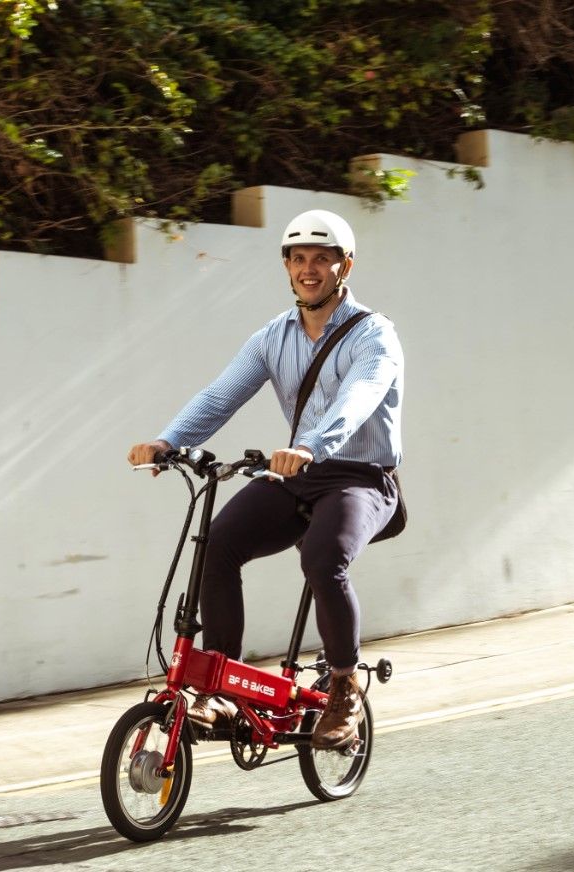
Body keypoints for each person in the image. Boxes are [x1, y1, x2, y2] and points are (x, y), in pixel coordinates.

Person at [127, 209, 403, 750]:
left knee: (323, 558)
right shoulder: (273, 337)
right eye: (298, 259)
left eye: (322, 259)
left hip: (361, 477)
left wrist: (308, 446)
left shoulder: (375, 335)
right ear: (286, 267)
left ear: (344, 266)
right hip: (296, 472)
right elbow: (220, 395)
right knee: (218, 543)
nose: (309, 269)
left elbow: (358, 397)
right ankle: (222, 686)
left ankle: (344, 683)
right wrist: (168, 442)